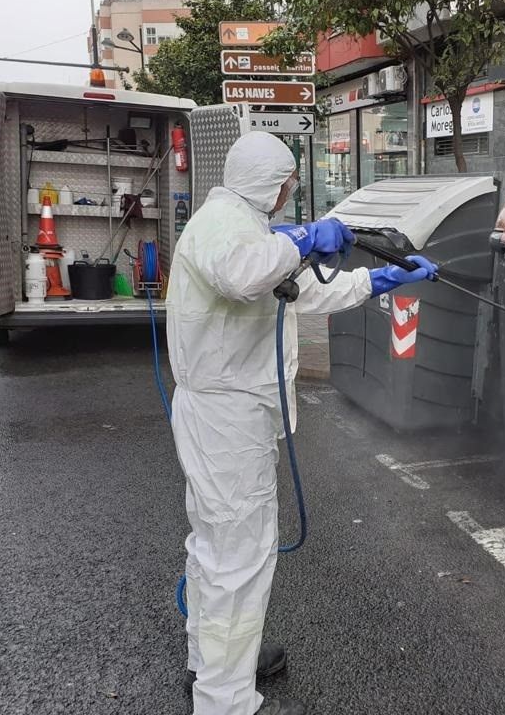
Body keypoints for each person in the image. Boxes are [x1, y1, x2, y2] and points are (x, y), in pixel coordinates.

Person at [165, 131, 437, 715]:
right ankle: (225, 699)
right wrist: (305, 238)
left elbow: (304, 293)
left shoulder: (250, 229)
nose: (292, 190)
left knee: (221, 547)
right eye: (289, 179)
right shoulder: (223, 228)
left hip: (235, 415)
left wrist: (379, 279)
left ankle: (216, 663)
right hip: (224, 416)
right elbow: (243, 274)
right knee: (238, 555)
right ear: (271, 181)